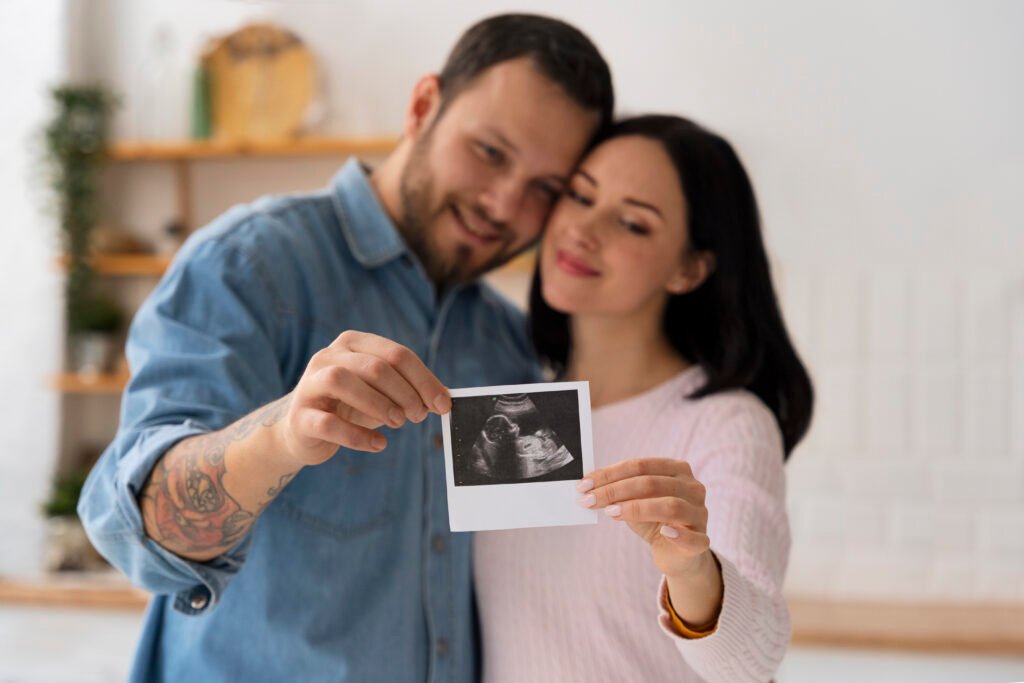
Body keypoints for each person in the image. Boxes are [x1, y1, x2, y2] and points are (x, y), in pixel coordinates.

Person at [77, 14, 613, 682]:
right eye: (490, 152)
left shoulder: (508, 342)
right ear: (423, 106)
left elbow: (534, 586)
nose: (505, 204)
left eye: (545, 189)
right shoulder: (247, 265)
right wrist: (282, 437)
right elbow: (137, 534)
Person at [473, 115, 814, 682]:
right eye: (580, 196)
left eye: (632, 223)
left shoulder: (725, 423)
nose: (584, 228)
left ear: (689, 268)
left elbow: (753, 659)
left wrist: (693, 569)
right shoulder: (510, 409)